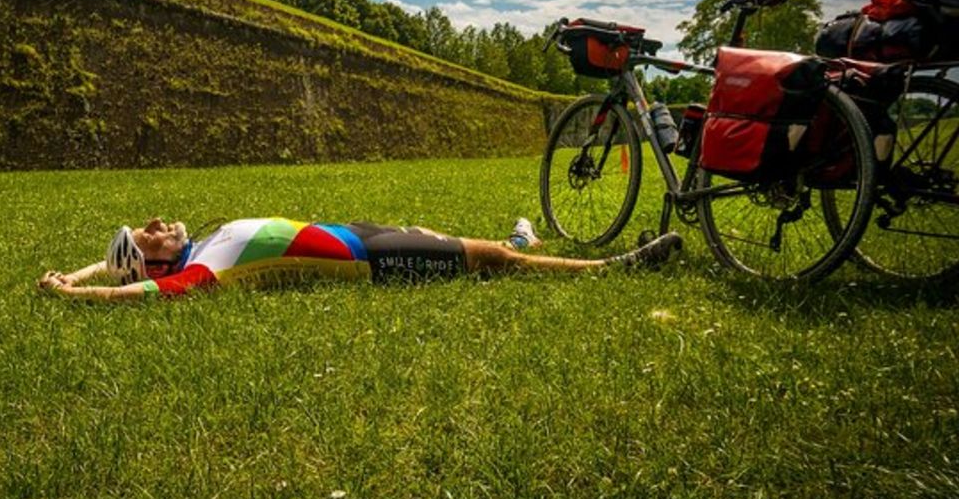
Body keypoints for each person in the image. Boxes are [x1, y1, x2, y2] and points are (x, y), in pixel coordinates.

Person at [37, 216, 682, 302]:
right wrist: (81, 295)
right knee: (480, 260)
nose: (156, 225)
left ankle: (522, 240)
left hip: (354, 231)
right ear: (154, 266)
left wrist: (80, 268)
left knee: (455, 242)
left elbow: (125, 269)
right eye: (147, 238)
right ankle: (609, 270)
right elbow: (149, 294)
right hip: (369, 260)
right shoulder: (206, 269)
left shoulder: (200, 245)